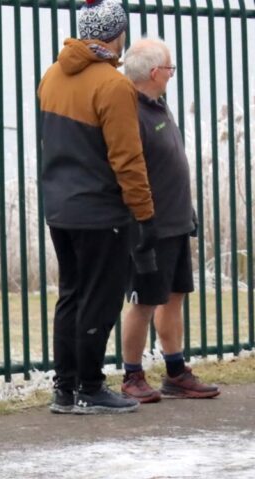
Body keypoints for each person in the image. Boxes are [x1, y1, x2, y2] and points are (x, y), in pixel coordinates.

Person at [38, 0, 157, 415]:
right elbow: (127, 158)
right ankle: (90, 386)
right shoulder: (113, 85)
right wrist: (144, 213)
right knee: (101, 298)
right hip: (100, 211)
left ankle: (64, 388)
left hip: (60, 207)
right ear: (116, 34)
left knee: (71, 294)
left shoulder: (52, 76)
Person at [119, 38, 220, 402]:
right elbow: (129, 169)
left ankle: (175, 371)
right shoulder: (130, 111)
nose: (172, 74)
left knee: (174, 296)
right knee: (144, 301)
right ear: (153, 72)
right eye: (169, 68)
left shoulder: (159, 104)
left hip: (176, 220)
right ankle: (132, 375)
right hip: (151, 225)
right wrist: (142, 219)